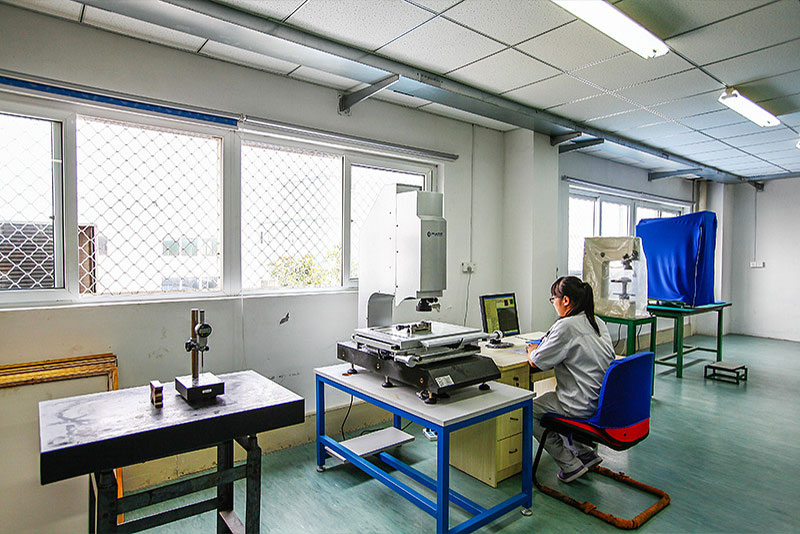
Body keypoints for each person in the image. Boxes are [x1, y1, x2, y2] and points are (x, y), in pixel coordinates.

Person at [526, 276, 615, 483]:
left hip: (579, 404)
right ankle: (584, 452)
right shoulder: (597, 322)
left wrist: (532, 351)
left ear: (565, 300)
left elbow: (537, 362)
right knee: (554, 400)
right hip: (602, 403)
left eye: (553, 299)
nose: (553, 303)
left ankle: (569, 464)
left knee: (528, 410)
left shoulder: (566, 326)